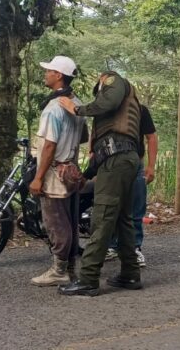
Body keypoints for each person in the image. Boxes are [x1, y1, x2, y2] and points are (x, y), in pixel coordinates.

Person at [56, 71, 142, 297]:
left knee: (102, 217)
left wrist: (76, 109)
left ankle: (88, 279)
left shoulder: (113, 81)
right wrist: (86, 174)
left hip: (117, 161)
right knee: (123, 220)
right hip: (123, 160)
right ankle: (130, 273)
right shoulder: (121, 113)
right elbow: (107, 149)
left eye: (98, 91)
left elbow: (109, 103)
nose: (98, 97)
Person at [28, 56, 85, 287]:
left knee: (55, 222)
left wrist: (38, 177)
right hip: (71, 169)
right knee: (70, 220)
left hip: (55, 173)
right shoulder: (76, 102)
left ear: (59, 75)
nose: (46, 74)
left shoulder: (53, 108)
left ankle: (59, 270)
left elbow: (49, 146)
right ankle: (70, 268)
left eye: (49, 70)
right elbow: (84, 137)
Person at [106, 104, 157, 266]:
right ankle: (112, 246)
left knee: (136, 207)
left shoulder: (139, 110)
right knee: (111, 207)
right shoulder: (106, 107)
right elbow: (96, 133)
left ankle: (134, 248)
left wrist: (150, 166)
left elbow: (151, 137)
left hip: (136, 164)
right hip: (110, 165)